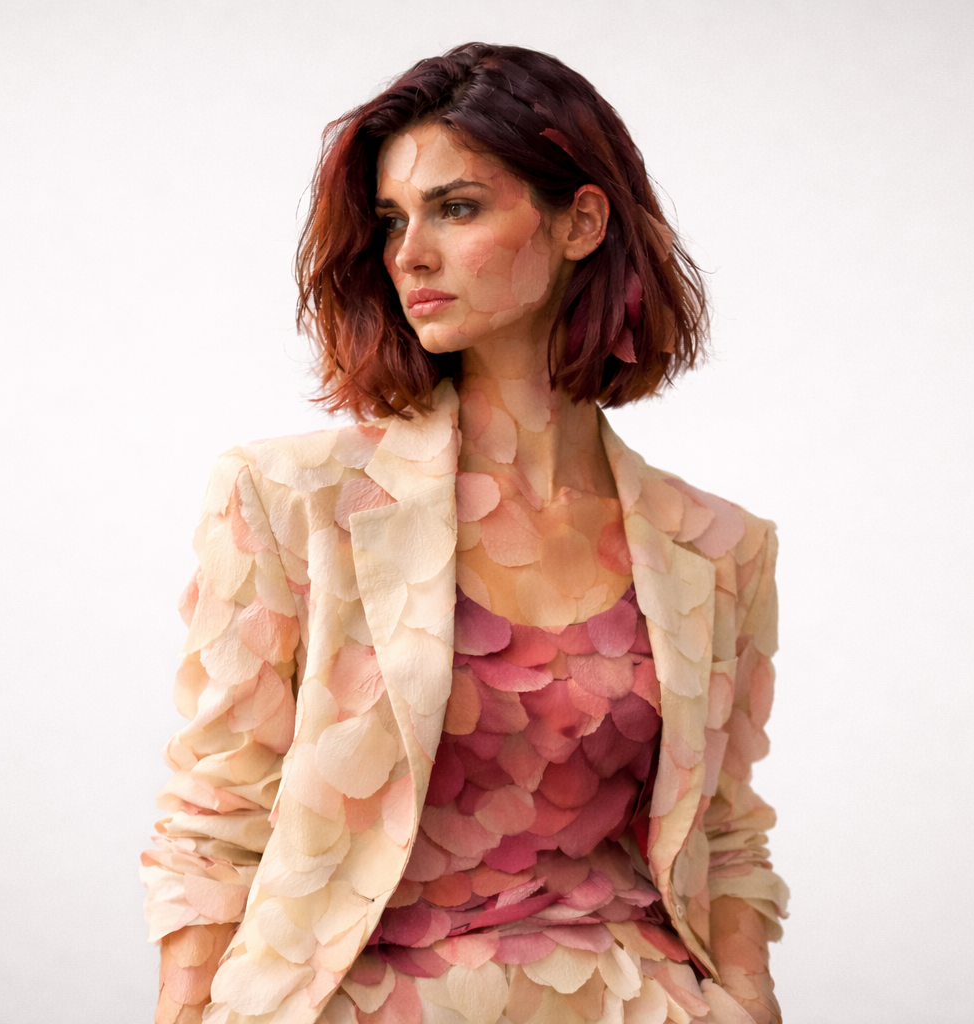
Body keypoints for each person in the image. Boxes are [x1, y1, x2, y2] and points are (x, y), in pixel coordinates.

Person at [140, 42, 788, 1024]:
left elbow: (727, 838)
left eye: (458, 207)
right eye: (394, 220)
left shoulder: (721, 547)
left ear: (581, 220)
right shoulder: (287, 501)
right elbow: (215, 821)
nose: (410, 253)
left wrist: (749, 1003)